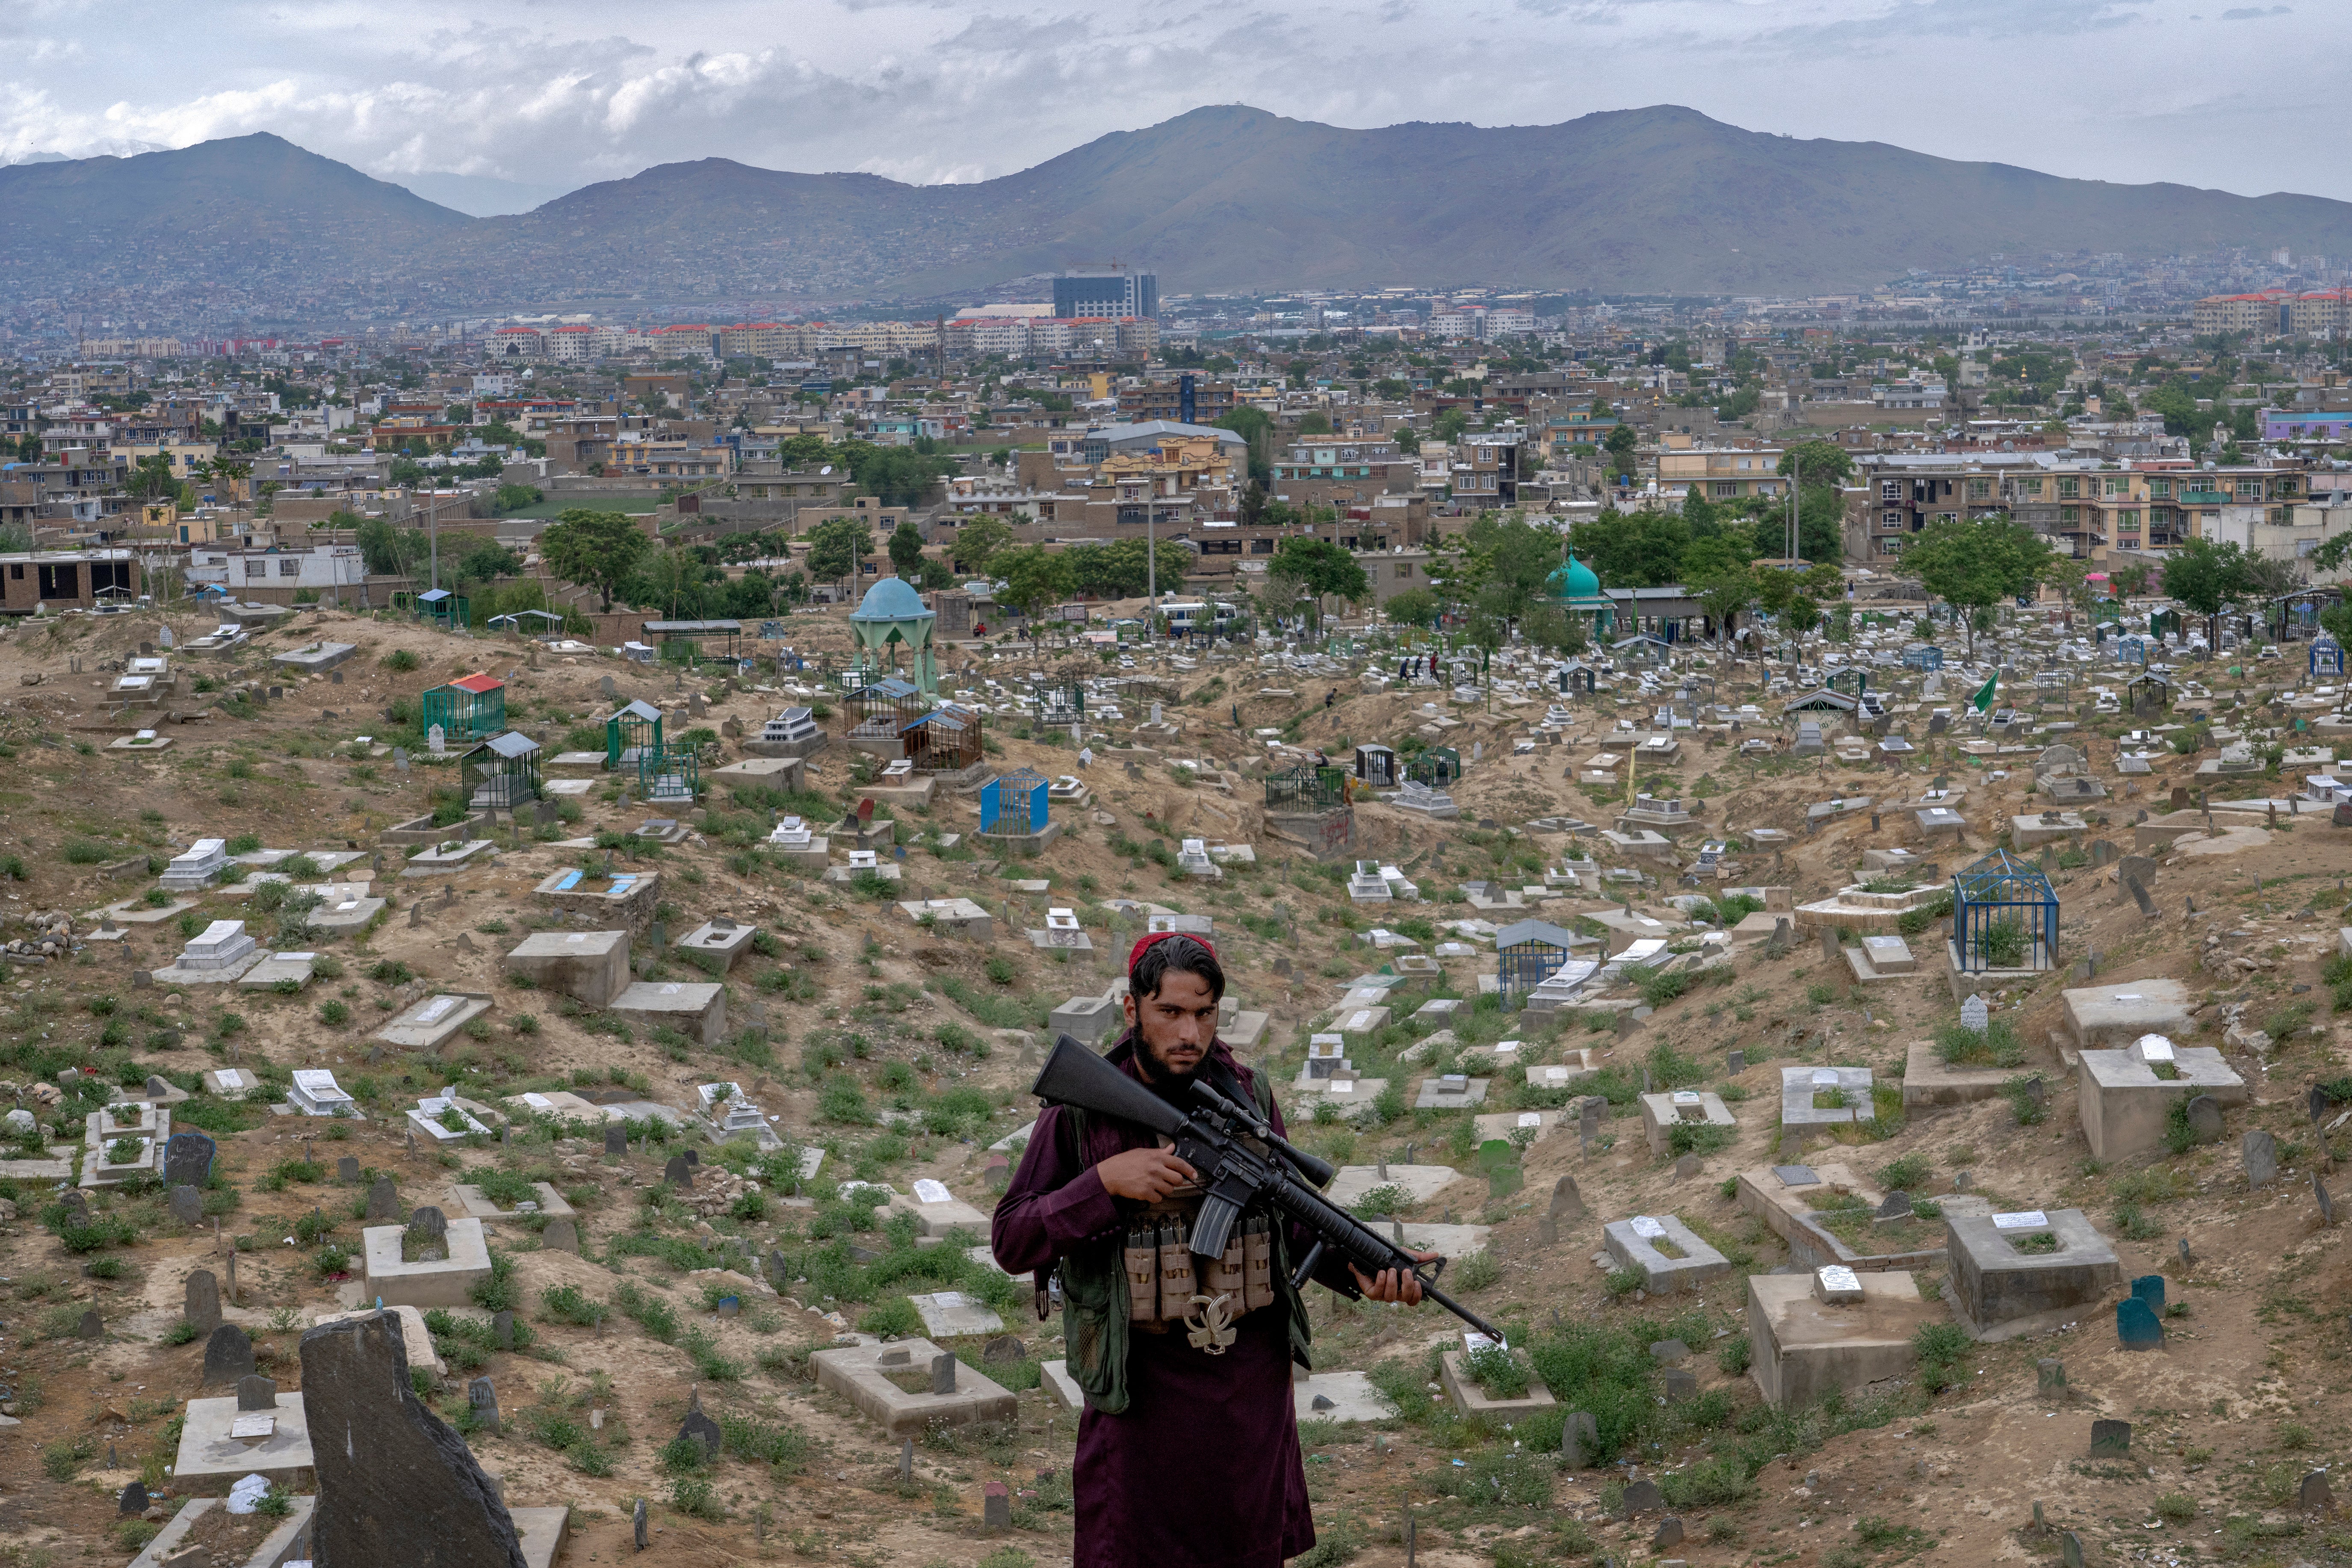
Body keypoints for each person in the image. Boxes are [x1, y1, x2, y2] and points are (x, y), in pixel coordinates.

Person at [993, 935, 1434, 1568]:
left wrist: (1365, 1266)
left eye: (1204, 1014)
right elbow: (1012, 1237)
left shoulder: (1248, 1097)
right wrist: (1104, 1185)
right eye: (1170, 1012)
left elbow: (1291, 1217)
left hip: (1247, 1396)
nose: (1188, 1033)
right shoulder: (1082, 1113)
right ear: (1131, 1011)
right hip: (1139, 1398)